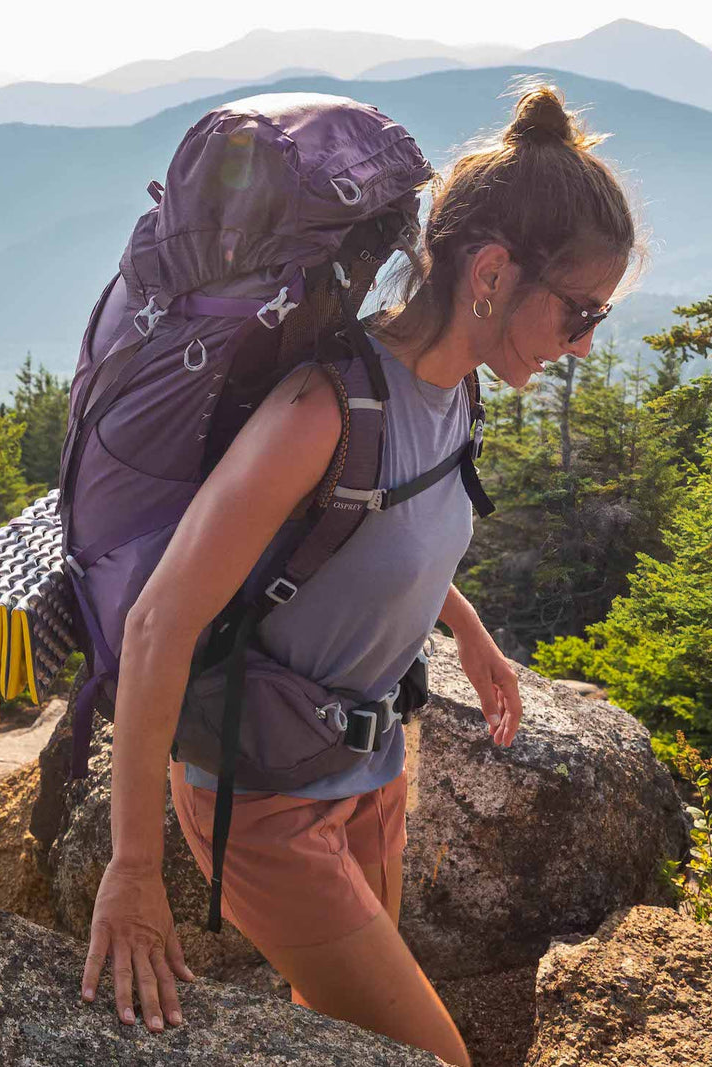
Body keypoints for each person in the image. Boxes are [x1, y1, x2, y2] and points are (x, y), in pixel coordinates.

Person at [80, 86, 638, 1067]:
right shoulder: (321, 408)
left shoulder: (452, 384)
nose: (584, 340)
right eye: (581, 309)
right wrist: (131, 869)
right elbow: (160, 623)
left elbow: (379, 526)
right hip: (261, 801)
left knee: (340, 1033)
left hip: (373, 770)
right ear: (494, 273)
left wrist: (465, 628)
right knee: (437, 1057)